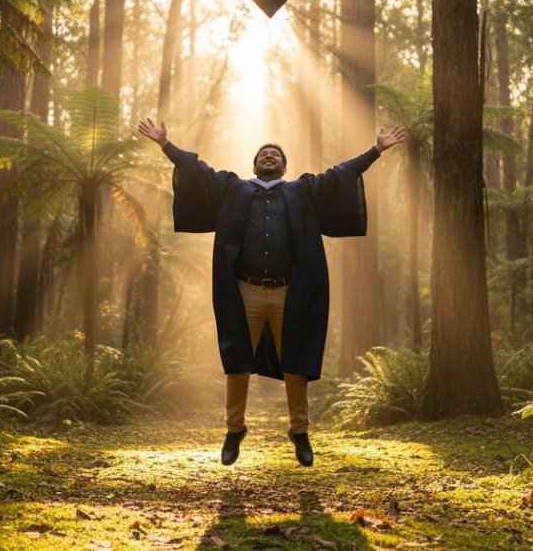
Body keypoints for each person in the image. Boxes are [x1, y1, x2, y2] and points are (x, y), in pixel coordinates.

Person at [137, 118, 405, 466]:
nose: (268, 156)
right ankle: (234, 430)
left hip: (288, 294)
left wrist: (376, 151)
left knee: (295, 364)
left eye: (274, 154)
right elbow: (197, 170)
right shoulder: (233, 189)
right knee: (237, 363)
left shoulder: (302, 191)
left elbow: (340, 174)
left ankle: (300, 431)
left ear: (283, 165)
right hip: (245, 291)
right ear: (254, 164)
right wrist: (165, 145)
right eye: (263, 153)